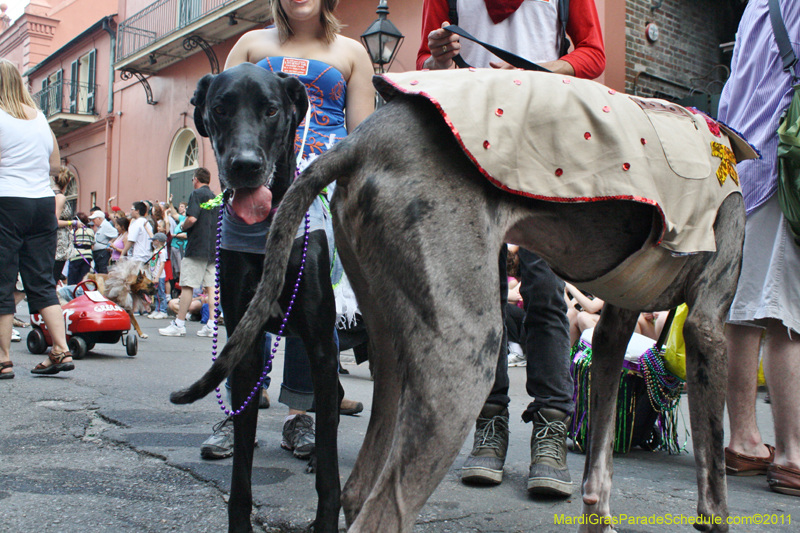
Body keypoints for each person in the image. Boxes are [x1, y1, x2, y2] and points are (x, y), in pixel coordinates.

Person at [418, 0, 605, 496]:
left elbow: (593, 54)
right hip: (471, 139)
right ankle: (489, 425)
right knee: (483, 293)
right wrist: (438, 57)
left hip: (543, 139)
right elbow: (426, 63)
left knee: (543, 287)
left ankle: (550, 431)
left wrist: (538, 71)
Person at [199, 0, 373, 460]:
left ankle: (302, 416)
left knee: (306, 300)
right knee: (243, 298)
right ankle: (240, 411)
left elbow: (361, 133)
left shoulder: (353, 51)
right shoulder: (251, 44)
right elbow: (221, 115)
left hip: (320, 185)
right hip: (255, 181)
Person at [718, 0, 800, 496]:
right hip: (783, 165)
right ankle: (793, 454)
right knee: (786, 312)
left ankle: (744, 441)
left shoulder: (754, 7)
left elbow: (731, 93)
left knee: (743, 311)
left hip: (742, 167)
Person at [0, 58, 75, 379]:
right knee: (42, 282)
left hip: (7, 202)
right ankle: (60, 348)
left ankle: (3, 358)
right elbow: (55, 167)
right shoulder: (40, 119)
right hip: (42, 203)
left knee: (2, 284)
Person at [159, 168, 217, 337]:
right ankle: (212, 324)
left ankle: (179, 324)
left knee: (187, 286)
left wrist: (183, 227)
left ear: (196, 179)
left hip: (197, 247)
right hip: (211, 247)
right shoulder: (215, 198)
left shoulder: (196, 194)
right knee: (211, 288)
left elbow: (192, 218)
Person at [52, 167, 75, 284]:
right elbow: (54, 221)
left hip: (54, 242)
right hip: (59, 244)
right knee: (53, 278)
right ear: (69, 180)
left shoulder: (49, 193)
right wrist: (72, 222)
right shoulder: (60, 197)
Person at [67, 212, 95, 285]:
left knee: (73, 277)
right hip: (87, 257)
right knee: (83, 277)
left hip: (76, 256)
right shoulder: (91, 231)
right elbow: (92, 245)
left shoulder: (73, 231)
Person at [147, 232, 169, 319]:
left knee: (161, 294)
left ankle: (163, 311)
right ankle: (157, 309)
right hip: (154, 275)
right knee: (156, 294)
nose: (152, 242)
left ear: (157, 241)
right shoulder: (155, 250)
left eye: (153, 241)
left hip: (159, 276)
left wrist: (157, 277)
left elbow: (162, 264)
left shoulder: (162, 251)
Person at [89, 209, 118, 274]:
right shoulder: (101, 226)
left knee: (102, 271)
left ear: (99, 218)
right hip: (99, 253)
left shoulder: (106, 225)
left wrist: (111, 241)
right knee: (98, 271)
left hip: (102, 253)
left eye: (94, 219)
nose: (92, 221)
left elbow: (116, 234)